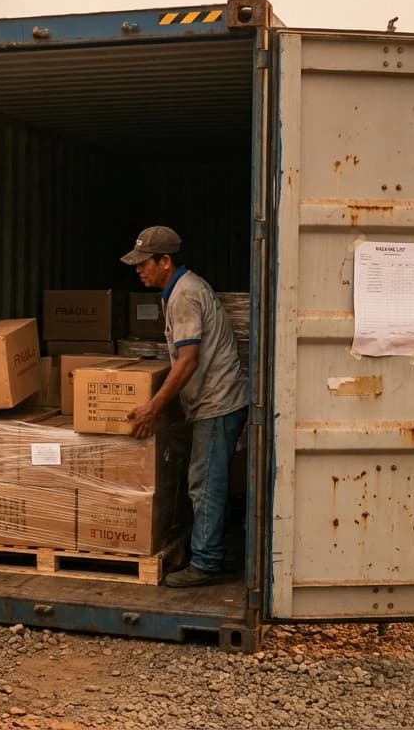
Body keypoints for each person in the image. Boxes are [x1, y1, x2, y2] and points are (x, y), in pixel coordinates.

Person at [120, 225, 249, 588]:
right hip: (215, 401)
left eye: (144, 263)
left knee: (204, 483)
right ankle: (217, 553)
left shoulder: (185, 295)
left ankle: (206, 562)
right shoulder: (181, 289)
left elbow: (188, 360)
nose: (139, 270)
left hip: (216, 402)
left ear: (165, 261)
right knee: (210, 479)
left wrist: (153, 407)